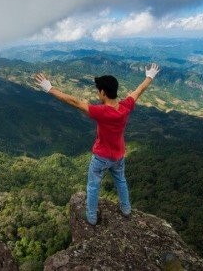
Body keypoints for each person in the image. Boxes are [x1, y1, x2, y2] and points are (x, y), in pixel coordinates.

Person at [35, 63, 160, 225]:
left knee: (93, 186)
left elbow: (73, 102)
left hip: (101, 157)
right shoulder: (125, 106)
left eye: (98, 90)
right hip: (119, 155)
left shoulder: (101, 112)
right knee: (121, 181)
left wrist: (49, 88)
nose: (97, 93)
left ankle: (92, 218)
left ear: (103, 92)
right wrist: (149, 76)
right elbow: (139, 91)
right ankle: (126, 209)